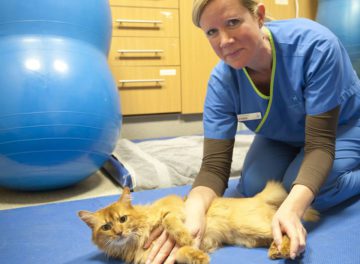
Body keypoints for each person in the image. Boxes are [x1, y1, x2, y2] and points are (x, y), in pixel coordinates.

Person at [144, 0, 360, 263]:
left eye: (232, 22)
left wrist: (292, 209)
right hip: (281, 134)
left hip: (342, 126)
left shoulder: (315, 46)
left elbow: (319, 145)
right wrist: (191, 211)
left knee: (307, 192)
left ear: (258, 16)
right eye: (211, 32)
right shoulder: (221, 82)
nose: (224, 41)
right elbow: (214, 166)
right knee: (256, 188)